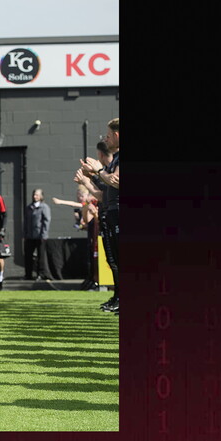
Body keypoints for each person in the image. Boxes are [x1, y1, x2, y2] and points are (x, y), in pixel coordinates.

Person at [79, 119, 119, 313]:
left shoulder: (116, 160)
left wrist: (96, 172)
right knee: (114, 261)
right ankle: (118, 297)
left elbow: (114, 181)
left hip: (116, 213)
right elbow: (104, 192)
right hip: (111, 213)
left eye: (109, 135)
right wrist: (91, 178)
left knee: (118, 260)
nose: (107, 138)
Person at [23, 188, 52, 282]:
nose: (35, 196)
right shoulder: (29, 207)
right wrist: (25, 234)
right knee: (28, 256)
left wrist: (43, 235)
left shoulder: (44, 207)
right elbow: (26, 222)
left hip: (40, 236)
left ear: (41, 196)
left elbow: (46, 221)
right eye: (34, 194)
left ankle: (41, 274)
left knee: (41, 257)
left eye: (37, 195)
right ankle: (28, 274)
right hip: (30, 236)